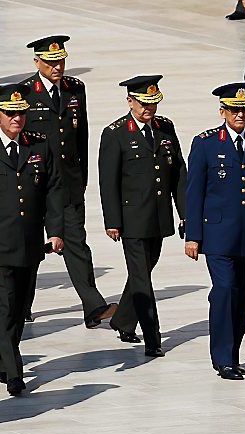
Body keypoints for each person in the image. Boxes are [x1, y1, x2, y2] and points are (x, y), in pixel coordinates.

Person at [21, 35, 117, 329]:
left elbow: (81, 136)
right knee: (29, 248)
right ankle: (20, 305)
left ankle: (93, 307)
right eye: (50, 62)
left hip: (69, 183)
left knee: (76, 243)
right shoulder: (24, 93)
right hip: (34, 183)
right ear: (37, 62)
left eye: (60, 60)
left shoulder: (76, 89)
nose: (57, 66)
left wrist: (81, 177)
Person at [184, 83, 245, 380]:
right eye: (235, 110)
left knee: (243, 296)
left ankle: (233, 353)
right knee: (225, 291)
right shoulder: (206, 143)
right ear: (222, 111)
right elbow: (195, 192)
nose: (241, 114)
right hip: (219, 237)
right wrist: (193, 235)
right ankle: (222, 358)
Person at [99, 75, 186, 358]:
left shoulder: (165, 128)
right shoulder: (115, 133)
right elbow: (108, 182)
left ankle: (123, 320)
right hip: (132, 219)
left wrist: (185, 214)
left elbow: (178, 176)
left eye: (153, 103)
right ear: (130, 101)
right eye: (142, 103)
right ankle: (153, 337)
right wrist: (112, 221)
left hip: (158, 218)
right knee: (142, 279)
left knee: (143, 272)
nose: (148, 109)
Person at [0, 84, 64, 396]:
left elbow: (53, 189)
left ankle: (3, 359)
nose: (17, 119)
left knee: (21, 305)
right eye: (10, 113)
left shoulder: (39, 145)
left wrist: (55, 231)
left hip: (29, 243)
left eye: (21, 113)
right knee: (5, 306)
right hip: (0, 244)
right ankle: (14, 371)